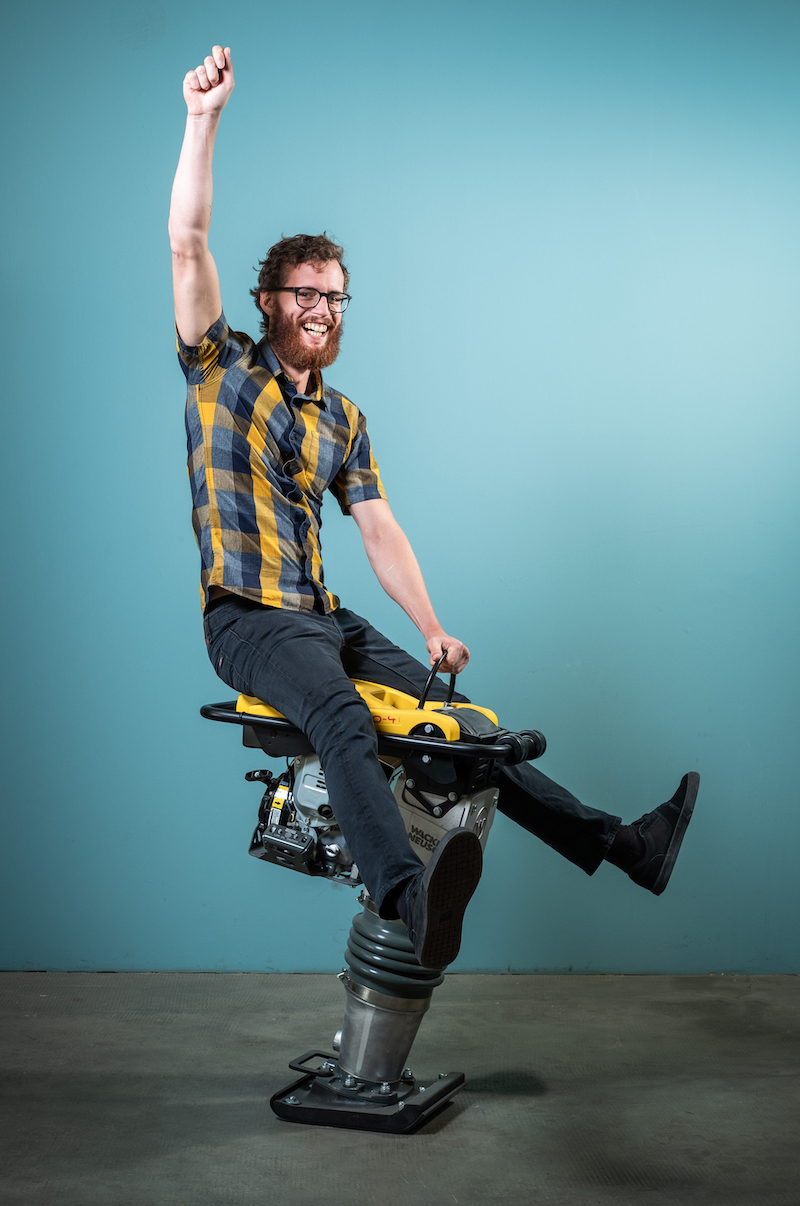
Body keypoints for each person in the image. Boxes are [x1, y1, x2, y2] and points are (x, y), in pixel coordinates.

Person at [170, 46, 699, 969]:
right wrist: (202, 119)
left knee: (473, 735)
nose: (325, 310)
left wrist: (431, 627)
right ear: (267, 301)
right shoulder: (221, 367)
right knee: (338, 719)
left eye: (337, 297)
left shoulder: (344, 418)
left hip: (325, 619)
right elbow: (187, 242)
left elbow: (378, 528)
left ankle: (625, 847)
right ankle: (408, 895)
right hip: (250, 622)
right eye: (307, 294)